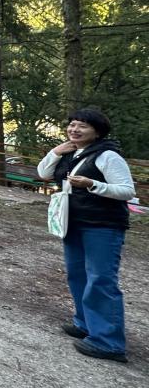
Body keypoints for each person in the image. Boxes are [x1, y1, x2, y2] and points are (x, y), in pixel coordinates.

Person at [37, 108, 135, 362]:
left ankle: (108, 342)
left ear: (97, 132)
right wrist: (56, 152)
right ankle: (85, 324)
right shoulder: (72, 152)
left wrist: (92, 184)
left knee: (101, 279)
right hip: (73, 222)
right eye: (72, 124)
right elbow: (44, 174)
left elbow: (126, 191)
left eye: (82, 126)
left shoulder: (108, 156)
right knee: (77, 274)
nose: (74, 129)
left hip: (102, 225)